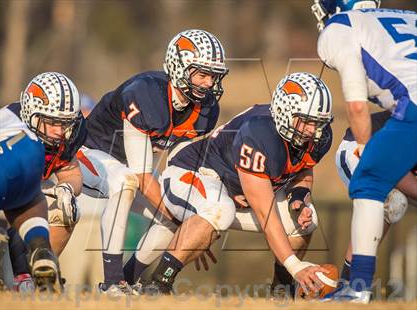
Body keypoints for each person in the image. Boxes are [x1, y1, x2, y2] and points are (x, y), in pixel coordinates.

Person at [127, 72, 334, 296]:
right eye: (306, 121)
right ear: (285, 111)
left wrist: (299, 197)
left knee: (306, 219)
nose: (313, 130)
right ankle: (158, 284)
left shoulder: (317, 137)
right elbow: (265, 212)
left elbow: (303, 167)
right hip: (194, 173)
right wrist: (296, 267)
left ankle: (281, 291)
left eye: (318, 122)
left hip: (236, 194)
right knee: (219, 209)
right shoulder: (259, 133)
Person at [77, 29, 229, 295]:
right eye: (202, 74)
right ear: (179, 67)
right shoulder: (145, 93)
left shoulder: (205, 110)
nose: (208, 83)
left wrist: (193, 224)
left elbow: (179, 166)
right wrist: (184, 222)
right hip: (90, 156)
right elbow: (143, 178)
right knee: (125, 182)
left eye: (213, 76)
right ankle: (111, 283)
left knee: (173, 211)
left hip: (129, 169)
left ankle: (129, 279)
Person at [312, 0, 417, 303]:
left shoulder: (340, 27)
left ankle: (356, 288)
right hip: (406, 110)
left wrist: (366, 152)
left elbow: (357, 105)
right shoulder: (405, 16)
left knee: (368, 179)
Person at [3, 72, 86, 292]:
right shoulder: (10, 128)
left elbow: (71, 173)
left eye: (65, 123)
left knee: (66, 206)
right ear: (31, 113)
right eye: (52, 122)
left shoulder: (67, 135)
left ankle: (38, 272)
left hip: (23, 196)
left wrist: (66, 189)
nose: (59, 132)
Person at [334, 111, 417, 289]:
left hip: (386, 158)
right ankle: (352, 285)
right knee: (388, 201)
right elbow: (397, 168)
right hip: (359, 146)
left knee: (393, 203)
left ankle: (349, 283)